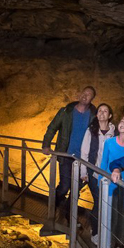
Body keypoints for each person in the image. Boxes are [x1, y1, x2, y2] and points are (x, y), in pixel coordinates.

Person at [41, 86, 96, 216]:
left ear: (92, 99)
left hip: (82, 159)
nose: (85, 96)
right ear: (79, 94)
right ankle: (52, 207)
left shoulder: (93, 117)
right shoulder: (66, 112)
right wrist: (46, 144)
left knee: (76, 189)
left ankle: (68, 215)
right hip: (65, 154)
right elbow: (52, 127)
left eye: (88, 95)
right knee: (65, 186)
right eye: (84, 92)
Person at [95, 114, 124, 248]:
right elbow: (103, 164)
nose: (123, 123)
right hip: (108, 187)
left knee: (120, 221)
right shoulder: (109, 142)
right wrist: (100, 183)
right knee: (108, 220)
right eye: (122, 120)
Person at [79, 103, 116, 236]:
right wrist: (83, 172)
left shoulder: (115, 133)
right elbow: (84, 152)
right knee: (99, 201)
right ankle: (95, 232)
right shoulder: (91, 131)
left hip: (110, 174)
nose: (102, 113)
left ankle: (103, 231)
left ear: (110, 116)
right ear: (96, 114)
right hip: (93, 173)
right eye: (100, 111)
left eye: (105, 111)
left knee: (106, 203)